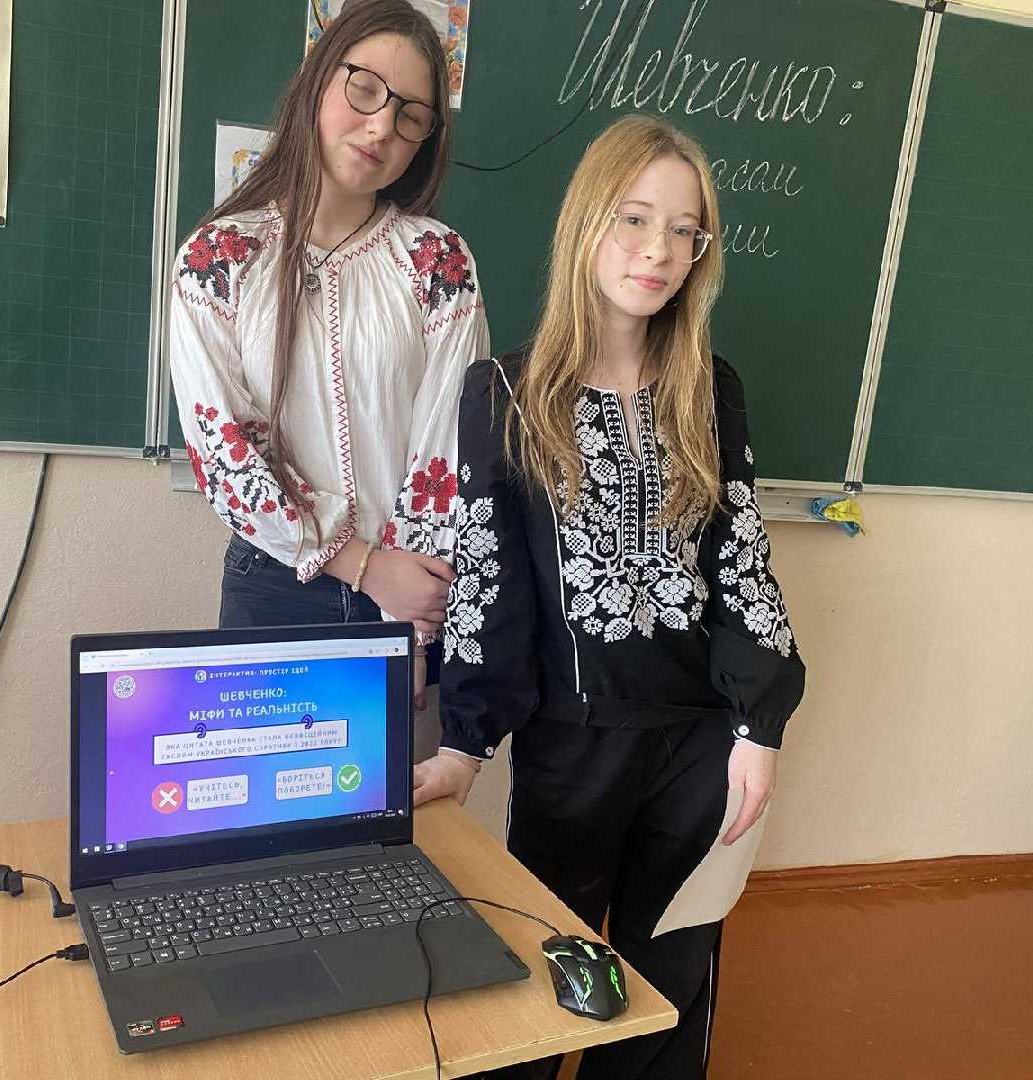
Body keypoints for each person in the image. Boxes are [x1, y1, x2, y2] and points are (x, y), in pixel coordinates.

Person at [414, 115, 806, 1079]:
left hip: (702, 741)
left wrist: (759, 729)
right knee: (545, 973)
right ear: (588, 222)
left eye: (684, 230)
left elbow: (741, 559)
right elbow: (491, 580)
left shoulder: (712, 391)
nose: (658, 250)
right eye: (635, 218)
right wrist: (466, 742)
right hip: (573, 746)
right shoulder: (504, 393)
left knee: (669, 975)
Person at [170, 0, 489, 713]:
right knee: (266, 785)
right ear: (318, 80)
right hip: (274, 582)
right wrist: (361, 564)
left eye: (411, 116)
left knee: (400, 788)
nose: (381, 128)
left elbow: (448, 441)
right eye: (365, 89)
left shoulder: (438, 262)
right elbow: (223, 450)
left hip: (411, 589)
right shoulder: (219, 258)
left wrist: (409, 618)